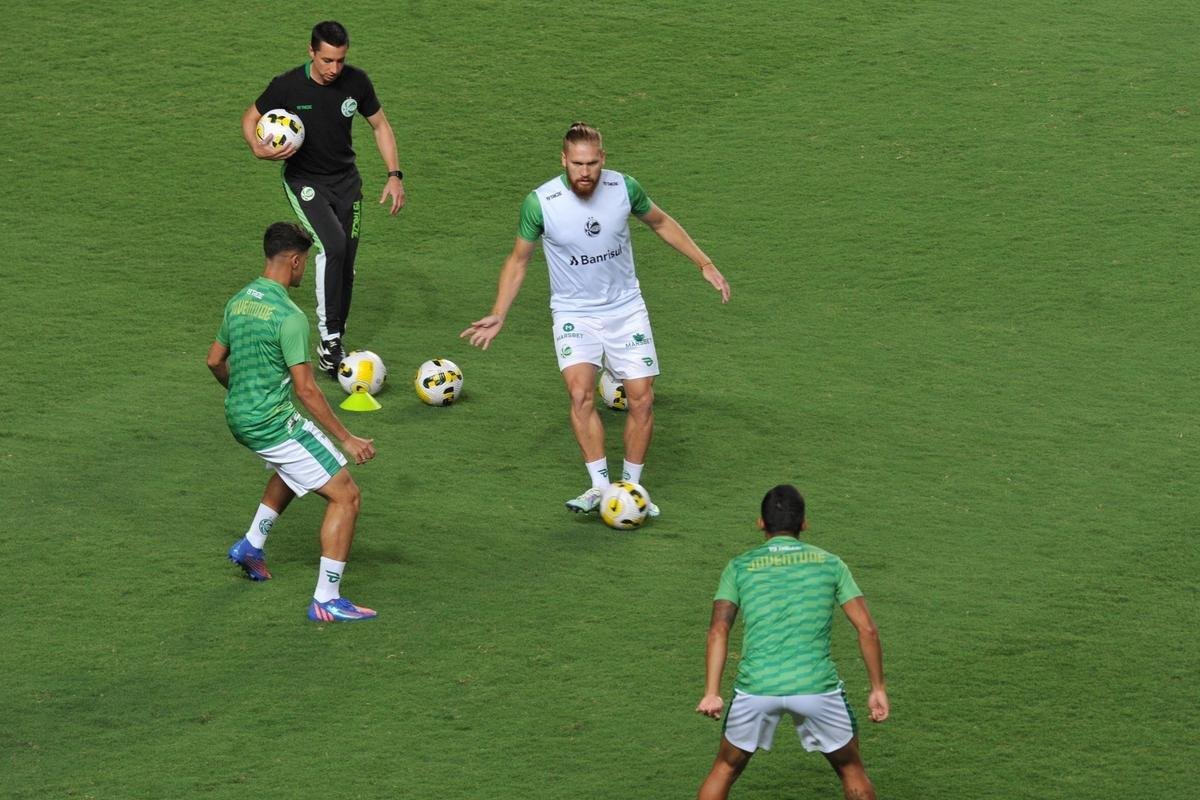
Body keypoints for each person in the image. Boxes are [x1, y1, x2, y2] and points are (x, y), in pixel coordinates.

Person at [460, 122, 730, 516]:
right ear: (563, 160)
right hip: (574, 312)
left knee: (642, 398)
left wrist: (703, 262)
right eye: (576, 164)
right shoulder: (541, 202)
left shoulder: (624, 188)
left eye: (591, 163)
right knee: (581, 394)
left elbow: (660, 221)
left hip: (626, 308)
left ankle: (632, 490)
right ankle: (600, 487)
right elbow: (518, 259)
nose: (584, 172)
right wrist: (499, 313)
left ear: (603, 158)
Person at [207, 221, 379, 623]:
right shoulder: (289, 316)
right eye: (305, 265)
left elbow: (214, 360)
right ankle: (327, 598)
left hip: (239, 415)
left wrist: (241, 392)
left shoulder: (239, 300)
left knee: (293, 465)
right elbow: (307, 391)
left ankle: (252, 543)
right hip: (271, 422)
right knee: (346, 494)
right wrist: (347, 438)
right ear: (296, 261)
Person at [695, 485, 889, 800]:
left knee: (725, 769)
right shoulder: (831, 564)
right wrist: (877, 688)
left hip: (756, 688)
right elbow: (867, 630)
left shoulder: (739, 566)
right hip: (816, 687)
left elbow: (719, 630)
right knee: (851, 769)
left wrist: (712, 692)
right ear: (804, 524)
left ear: (761, 522)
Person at [241, 20, 407, 378]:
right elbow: (251, 116)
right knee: (332, 246)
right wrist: (256, 146)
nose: (334, 69)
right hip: (305, 181)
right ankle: (330, 340)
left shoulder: (357, 82)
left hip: (347, 182)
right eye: (327, 60)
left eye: (340, 61)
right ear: (311, 52)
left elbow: (381, 125)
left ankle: (334, 342)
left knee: (345, 260)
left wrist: (394, 175)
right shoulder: (287, 86)